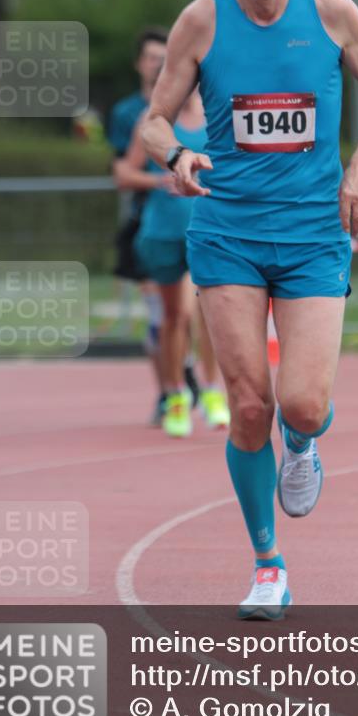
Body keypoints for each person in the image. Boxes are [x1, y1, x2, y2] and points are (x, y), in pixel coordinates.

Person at [142, 0, 358, 618]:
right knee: (248, 406)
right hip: (227, 233)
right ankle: (267, 565)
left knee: (303, 405)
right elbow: (158, 122)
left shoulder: (329, 10)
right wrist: (179, 158)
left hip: (314, 233)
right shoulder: (201, 20)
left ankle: (306, 440)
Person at [117, 90, 230, 437]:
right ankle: (176, 394)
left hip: (210, 228)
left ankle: (211, 390)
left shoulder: (218, 117)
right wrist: (158, 179)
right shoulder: (154, 124)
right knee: (174, 316)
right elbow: (124, 172)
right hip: (164, 231)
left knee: (210, 313)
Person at [107, 28, 199, 423]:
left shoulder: (199, 105)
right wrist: (158, 180)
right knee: (163, 315)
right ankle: (170, 390)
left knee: (192, 313)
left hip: (196, 223)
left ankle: (190, 379)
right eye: (151, 58)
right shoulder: (131, 113)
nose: (159, 64)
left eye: (165, 57)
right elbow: (121, 170)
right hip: (150, 222)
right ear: (139, 63)